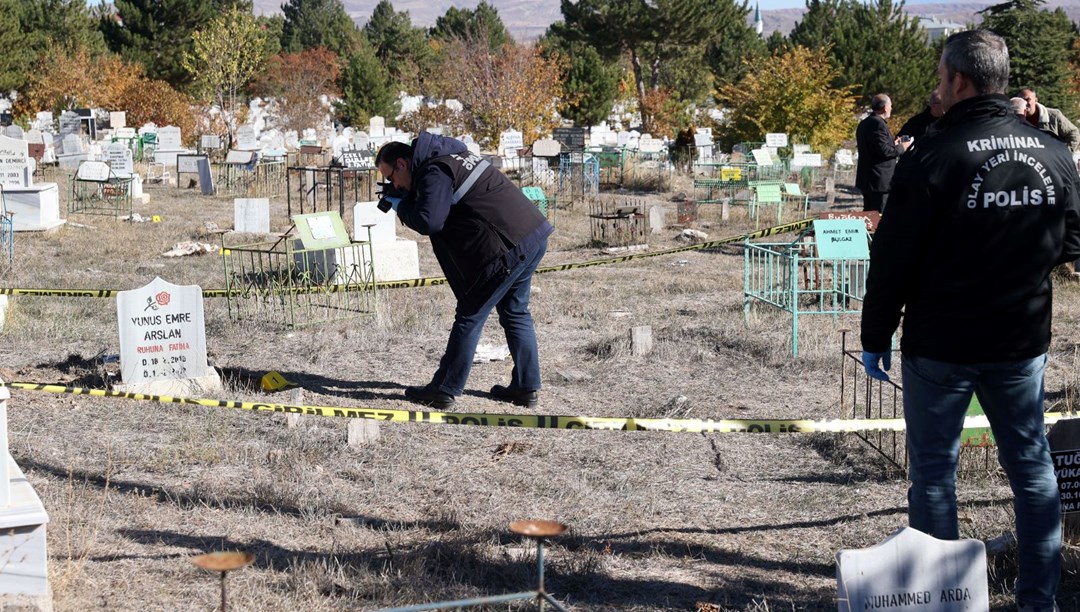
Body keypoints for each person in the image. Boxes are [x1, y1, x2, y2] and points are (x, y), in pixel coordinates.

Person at [861, 29, 1080, 612]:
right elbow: (1073, 242)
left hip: (942, 343)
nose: (936, 86)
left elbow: (892, 259)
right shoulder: (1054, 154)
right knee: (1032, 471)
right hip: (1020, 340)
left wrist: (874, 336)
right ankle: (1040, 601)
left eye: (938, 76)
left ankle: (941, 604)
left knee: (935, 477)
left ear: (958, 80)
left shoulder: (932, 156)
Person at [375, 132, 554, 410]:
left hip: (508, 247)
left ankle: (445, 388)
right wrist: (409, 195)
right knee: (515, 312)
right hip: (531, 234)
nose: (392, 184)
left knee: (470, 314)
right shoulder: (450, 156)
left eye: (390, 177)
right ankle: (526, 387)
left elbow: (429, 221)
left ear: (401, 163)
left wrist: (403, 205)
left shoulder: (434, 169)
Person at [855, 94, 911, 212]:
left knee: (869, 217)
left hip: (868, 179)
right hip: (879, 181)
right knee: (878, 217)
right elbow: (884, 151)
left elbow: (876, 148)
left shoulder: (864, 123)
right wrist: (902, 147)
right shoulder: (878, 124)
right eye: (890, 105)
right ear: (885, 107)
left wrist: (893, 144)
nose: (891, 108)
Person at [1019, 87, 1080, 152]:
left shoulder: (1053, 116)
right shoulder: (1015, 120)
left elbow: (1073, 133)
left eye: (1028, 99)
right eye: (1021, 101)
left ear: (1036, 100)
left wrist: (1064, 155)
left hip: (1052, 159)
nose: (1025, 103)